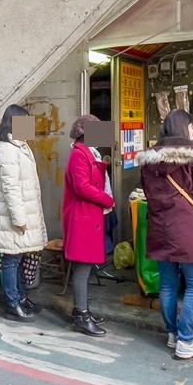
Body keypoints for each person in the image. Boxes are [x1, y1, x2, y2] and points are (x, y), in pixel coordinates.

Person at [139, 109, 193, 359]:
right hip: (187, 229)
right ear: (188, 129)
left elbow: (148, 193)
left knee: (169, 284)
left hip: (160, 227)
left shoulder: (149, 161)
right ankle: (188, 340)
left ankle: (173, 334)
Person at [0, 105, 47, 323]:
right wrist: (20, 218)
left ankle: (21, 297)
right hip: (12, 216)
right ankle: (12, 303)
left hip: (22, 212)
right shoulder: (7, 149)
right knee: (11, 260)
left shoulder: (20, 146)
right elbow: (11, 187)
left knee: (20, 257)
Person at [63, 114, 116, 337]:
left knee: (85, 267)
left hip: (88, 216)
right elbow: (82, 186)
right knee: (82, 268)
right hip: (82, 217)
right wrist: (107, 199)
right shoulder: (78, 154)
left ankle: (83, 310)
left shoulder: (89, 152)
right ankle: (81, 315)